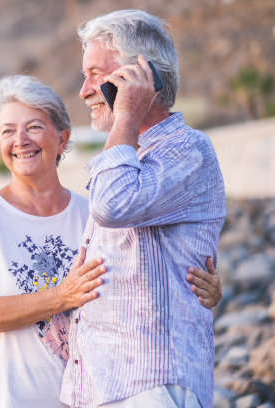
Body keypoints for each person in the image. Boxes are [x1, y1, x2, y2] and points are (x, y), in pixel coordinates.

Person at [0, 75, 222, 408]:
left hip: (89, 400)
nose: (20, 140)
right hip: (6, 400)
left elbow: (139, 283)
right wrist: (61, 296)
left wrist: (202, 288)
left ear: (62, 139)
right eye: (7, 131)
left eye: (33, 127)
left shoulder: (95, 214)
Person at [59, 10, 226, 408]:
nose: (84, 90)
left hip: (151, 386)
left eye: (96, 73)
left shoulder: (187, 149)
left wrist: (127, 114)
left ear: (140, 76)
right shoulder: (135, 152)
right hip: (107, 386)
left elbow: (112, 204)